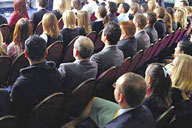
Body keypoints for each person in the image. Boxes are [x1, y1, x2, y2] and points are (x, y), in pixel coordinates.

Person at [10, 35, 62, 127]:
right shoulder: (57, 74)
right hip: (52, 121)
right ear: (46, 53)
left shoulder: (20, 84)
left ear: (25, 54)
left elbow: (15, 113)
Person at [88, 73, 155, 128]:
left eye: (116, 87)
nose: (114, 87)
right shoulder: (146, 110)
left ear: (120, 97)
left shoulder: (113, 126)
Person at [169, 54, 192, 128]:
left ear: (179, 70)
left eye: (172, 65)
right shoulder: (188, 91)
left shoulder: (173, 93)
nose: (170, 67)